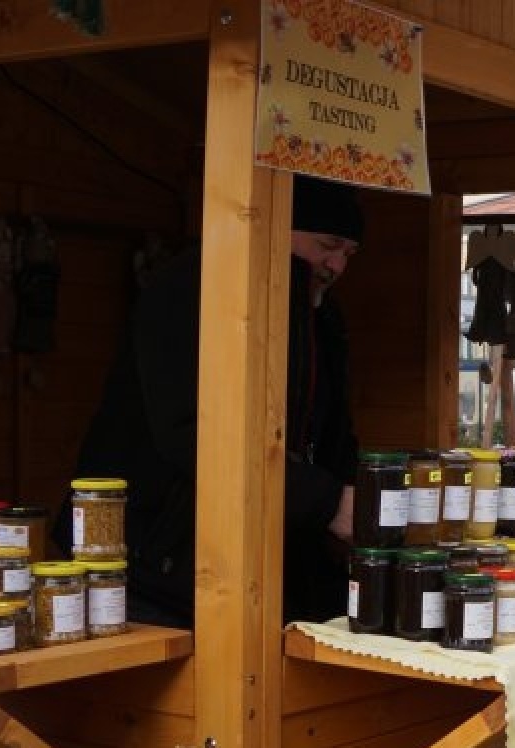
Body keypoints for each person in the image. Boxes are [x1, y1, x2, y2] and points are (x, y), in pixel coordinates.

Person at [61, 175, 364, 626]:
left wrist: (348, 499)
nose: (336, 265)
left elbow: (330, 429)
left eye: (348, 254)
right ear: (276, 225)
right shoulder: (189, 288)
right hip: (153, 562)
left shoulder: (320, 316)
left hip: (258, 561)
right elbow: (190, 433)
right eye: (328, 244)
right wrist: (326, 503)